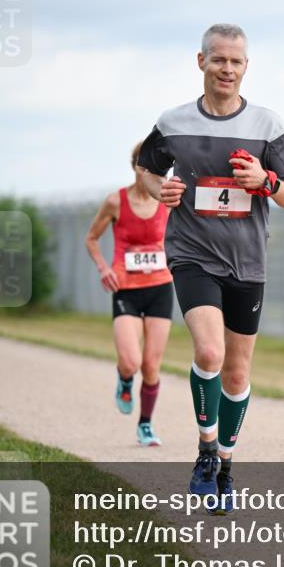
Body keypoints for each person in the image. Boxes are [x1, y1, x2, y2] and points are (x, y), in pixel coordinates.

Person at [136, 23, 284, 513]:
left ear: (246, 66)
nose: (227, 69)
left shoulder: (268, 126)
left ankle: (226, 465)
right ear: (201, 61)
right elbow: (146, 168)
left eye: (236, 61)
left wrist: (264, 180)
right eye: (218, 60)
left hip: (247, 262)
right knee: (209, 352)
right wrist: (157, 189)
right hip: (192, 254)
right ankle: (206, 450)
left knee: (237, 370)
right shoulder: (173, 122)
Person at [85, 141, 173, 447]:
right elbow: (91, 239)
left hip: (161, 287)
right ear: (137, 167)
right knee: (131, 362)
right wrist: (103, 268)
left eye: (161, 169)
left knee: (151, 365)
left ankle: (145, 425)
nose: (156, 175)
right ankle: (124, 379)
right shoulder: (115, 201)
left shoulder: (169, 200)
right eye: (149, 167)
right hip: (126, 290)